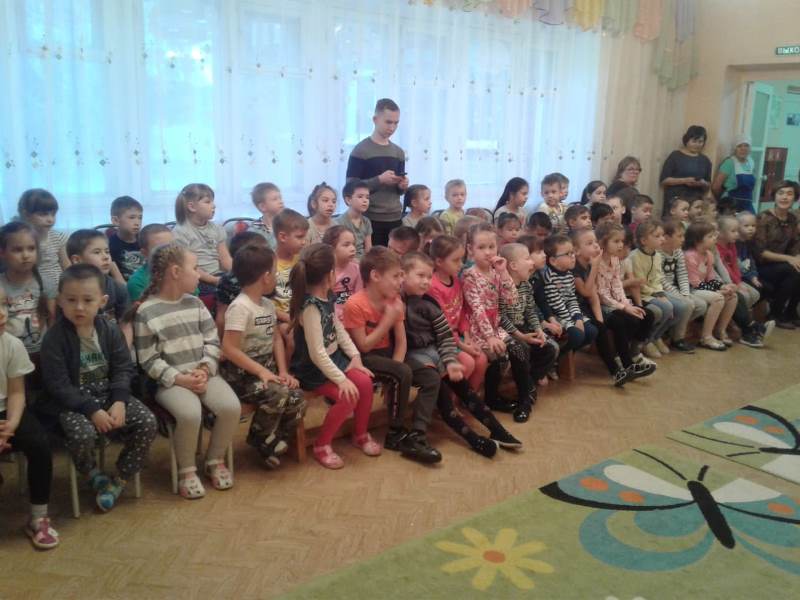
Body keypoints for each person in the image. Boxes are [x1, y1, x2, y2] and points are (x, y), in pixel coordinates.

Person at [41, 264, 157, 511]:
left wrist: (119, 400)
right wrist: (91, 410)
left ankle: (121, 478)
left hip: (109, 393)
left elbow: (123, 368)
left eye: (87, 300)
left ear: (102, 301)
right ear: (60, 301)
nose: (79, 307)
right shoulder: (54, 338)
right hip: (74, 400)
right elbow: (58, 385)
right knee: (82, 434)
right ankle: (91, 471)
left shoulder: (110, 330)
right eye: (71, 300)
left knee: (147, 422)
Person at [132, 243, 240, 498]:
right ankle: (187, 471)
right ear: (175, 272)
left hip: (203, 374)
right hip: (170, 382)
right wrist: (179, 379)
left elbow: (212, 341)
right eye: (195, 268)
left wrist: (205, 368)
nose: (199, 274)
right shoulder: (146, 312)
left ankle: (214, 460)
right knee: (190, 413)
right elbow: (148, 359)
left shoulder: (196, 304)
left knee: (231, 407)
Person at [343, 247, 441, 463]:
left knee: (430, 377)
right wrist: (387, 320)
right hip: (362, 359)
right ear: (375, 276)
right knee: (401, 371)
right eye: (396, 276)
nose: (401, 281)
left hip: (388, 355)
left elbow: (401, 341)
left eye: (401, 275)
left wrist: (395, 374)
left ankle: (418, 433)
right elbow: (364, 346)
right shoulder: (355, 304)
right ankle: (396, 433)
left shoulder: (395, 300)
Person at [288, 243, 377, 469]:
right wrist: (341, 379)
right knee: (349, 395)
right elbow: (317, 353)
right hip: (312, 370)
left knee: (365, 383)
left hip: (333, 360)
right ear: (330, 274)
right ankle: (322, 445)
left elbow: (338, 328)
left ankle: (360, 434)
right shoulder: (310, 307)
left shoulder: (327, 295)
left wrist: (355, 357)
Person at [220, 246, 305, 469]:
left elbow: (276, 339)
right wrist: (261, 372)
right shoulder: (240, 308)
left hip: (267, 370)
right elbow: (229, 348)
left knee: (297, 395)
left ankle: (275, 441)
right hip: (242, 376)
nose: (276, 276)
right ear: (266, 277)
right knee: (278, 394)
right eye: (275, 272)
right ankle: (260, 439)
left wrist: (283, 371)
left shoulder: (267, 305)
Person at [0, 289, 58, 549]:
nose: (2, 314)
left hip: (9, 411)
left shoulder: (12, 344)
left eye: (4, 305)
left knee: (39, 444)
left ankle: (38, 516)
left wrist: (11, 426)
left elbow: (16, 392)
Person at [461, 223, 530, 425]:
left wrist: (504, 273)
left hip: (494, 328)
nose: (487, 252)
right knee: (499, 356)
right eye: (481, 247)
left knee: (519, 349)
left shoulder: (497, 272)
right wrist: (490, 337)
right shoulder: (469, 275)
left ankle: (525, 400)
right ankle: (491, 398)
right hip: (477, 331)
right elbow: (477, 309)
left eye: (491, 247)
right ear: (470, 249)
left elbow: (512, 300)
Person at [571, 229, 651, 386]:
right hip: (575, 309)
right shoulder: (576, 268)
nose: (596, 246)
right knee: (606, 326)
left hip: (588, 308)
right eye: (590, 243)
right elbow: (586, 292)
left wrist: (600, 320)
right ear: (577, 250)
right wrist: (595, 267)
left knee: (608, 325)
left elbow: (593, 297)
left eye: (595, 242)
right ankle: (616, 371)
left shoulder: (590, 264)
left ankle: (627, 365)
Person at [498, 243, 558, 419]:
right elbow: (500, 317)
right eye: (527, 259)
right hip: (507, 332)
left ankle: (528, 383)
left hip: (524, 328)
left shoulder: (526, 285)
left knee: (551, 347)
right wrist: (520, 336)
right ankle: (526, 395)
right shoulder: (502, 287)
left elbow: (530, 310)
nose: (532, 263)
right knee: (522, 349)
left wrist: (539, 329)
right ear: (513, 266)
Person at [428, 235, 487, 392]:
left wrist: (467, 337)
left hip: (457, 336)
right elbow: (442, 324)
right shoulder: (432, 286)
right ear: (439, 262)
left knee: (481, 360)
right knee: (467, 363)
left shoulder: (457, 281)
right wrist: (461, 345)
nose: (461, 264)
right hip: (441, 339)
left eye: (461, 259)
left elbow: (462, 312)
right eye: (456, 260)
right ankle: (450, 402)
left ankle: (469, 399)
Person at [346, 98, 408, 247]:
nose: (392, 127)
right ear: (375, 120)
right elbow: (350, 187)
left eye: (396, 123)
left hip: (395, 217)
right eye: (388, 122)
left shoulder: (398, 152)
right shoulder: (360, 150)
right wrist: (379, 180)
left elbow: (398, 191)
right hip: (370, 218)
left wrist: (402, 186)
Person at [0, 222, 55, 372]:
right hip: (9, 355)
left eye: (31, 248)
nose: (25, 255)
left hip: (42, 353)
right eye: (17, 250)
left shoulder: (45, 283)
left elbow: (52, 318)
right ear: (2, 252)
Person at [173, 183, 232, 312]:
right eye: (208, 202)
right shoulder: (180, 232)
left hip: (219, 276)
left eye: (213, 201)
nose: (214, 205)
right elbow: (187, 266)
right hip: (197, 278)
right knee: (220, 295)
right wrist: (215, 280)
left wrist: (237, 274)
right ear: (192, 207)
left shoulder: (217, 228)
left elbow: (225, 259)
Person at [626, 221, 681, 359]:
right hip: (642, 294)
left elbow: (658, 277)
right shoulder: (634, 257)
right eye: (657, 236)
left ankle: (656, 337)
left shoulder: (657, 255)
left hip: (655, 291)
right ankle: (647, 341)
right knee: (667, 307)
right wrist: (656, 294)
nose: (662, 239)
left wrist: (660, 293)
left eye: (662, 235)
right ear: (644, 240)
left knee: (682, 306)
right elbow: (639, 283)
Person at [683, 221, 737, 350]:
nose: (714, 238)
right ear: (698, 240)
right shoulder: (689, 256)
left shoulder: (709, 254)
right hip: (691, 289)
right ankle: (706, 337)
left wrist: (723, 287)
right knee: (718, 298)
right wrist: (717, 291)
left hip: (703, 288)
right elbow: (694, 282)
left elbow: (711, 277)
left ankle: (721, 330)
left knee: (732, 296)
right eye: (710, 236)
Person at [754, 180, 800, 328]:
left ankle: (791, 312)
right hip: (761, 266)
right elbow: (761, 252)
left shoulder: (792, 219)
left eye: (789, 194)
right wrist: (790, 259)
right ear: (774, 196)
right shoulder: (763, 217)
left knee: (797, 267)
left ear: (795, 198)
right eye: (781, 193)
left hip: (781, 264)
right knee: (792, 270)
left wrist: (797, 258)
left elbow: (794, 245)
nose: (784, 197)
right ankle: (775, 314)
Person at [66, 229, 130, 327]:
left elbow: (125, 324)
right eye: (97, 252)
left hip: (113, 336)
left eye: (107, 251)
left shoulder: (118, 288)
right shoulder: (68, 291)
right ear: (77, 260)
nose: (106, 257)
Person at [214, 231, 270, 340]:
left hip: (261, 326)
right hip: (236, 330)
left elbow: (269, 306)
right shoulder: (227, 282)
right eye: (265, 253)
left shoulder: (265, 276)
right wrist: (219, 343)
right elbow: (221, 316)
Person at [17, 189, 70, 299]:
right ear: (26, 214)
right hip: (32, 291)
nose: (50, 219)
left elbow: (66, 264)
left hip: (60, 289)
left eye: (53, 214)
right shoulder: (20, 240)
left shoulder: (58, 237)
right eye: (43, 214)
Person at [659, 219, 702, 352]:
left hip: (675, 289)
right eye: (679, 236)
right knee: (687, 305)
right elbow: (661, 280)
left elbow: (682, 274)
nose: (683, 239)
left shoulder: (678, 251)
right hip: (662, 289)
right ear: (667, 237)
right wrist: (679, 296)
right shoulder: (658, 254)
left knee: (701, 305)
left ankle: (670, 330)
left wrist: (685, 294)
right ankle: (678, 339)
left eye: (683, 235)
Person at [273, 209, 310, 353]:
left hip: (300, 312)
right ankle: (288, 367)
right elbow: (264, 303)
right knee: (292, 339)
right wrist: (290, 318)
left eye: (304, 237)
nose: (304, 242)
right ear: (282, 237)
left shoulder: (301, 259)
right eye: (299, 237)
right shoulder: (270, 263)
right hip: (278, 316)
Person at [659, 125, 713, 210]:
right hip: (676, 200)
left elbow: (708, 184)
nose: (697, 144)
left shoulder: (705, 160)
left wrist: (703, 183)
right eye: (694, 141)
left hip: (696, 202)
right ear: (687, 140)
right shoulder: (675, 156)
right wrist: (685, 180)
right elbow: (664, 180)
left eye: (700, 142)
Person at [323, 225, 362, 320]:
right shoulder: (325, 270)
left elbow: (359, 294)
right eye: (346, 245)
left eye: (353, 244)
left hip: (352, 312)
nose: (353, 248)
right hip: (331, 314)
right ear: (331, 248)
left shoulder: (357, 268)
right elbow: (323, 297)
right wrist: (336, 312)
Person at [127, 224, 174, 302]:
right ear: (144, 253)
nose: (169, 252)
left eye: (172, 246)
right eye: (160, 249)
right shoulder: (137, 282)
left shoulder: (184, 270)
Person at [712, 135, 757, 213]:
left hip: (747, 204)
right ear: (734, 149)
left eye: (746, 146)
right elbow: (716, 187)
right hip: (732, 206)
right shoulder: (729, 163)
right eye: (739, 146)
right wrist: (723, 201)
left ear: (750, 148)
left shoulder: (751, 162)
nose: (743, 149)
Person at [108, 195, 146, 281]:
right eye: (132, 217)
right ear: (116, 221)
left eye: (140, 218)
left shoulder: (144, 240)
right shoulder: (109, 245)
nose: (137, 222)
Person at [336, 179, 373, 260]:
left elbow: (368, 249)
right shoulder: (339, 222)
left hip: (363, 261)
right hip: (346, 260)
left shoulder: (366, 221)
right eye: (360, 197)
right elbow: (339, 251)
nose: (365, 200)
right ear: (348, 200)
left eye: (367, 197)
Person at [249, 182, 284, 249]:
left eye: (280, 198)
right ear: (262, 207)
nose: (281, 202)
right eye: (275, 199)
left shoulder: (288, 224)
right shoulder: (254, 231)